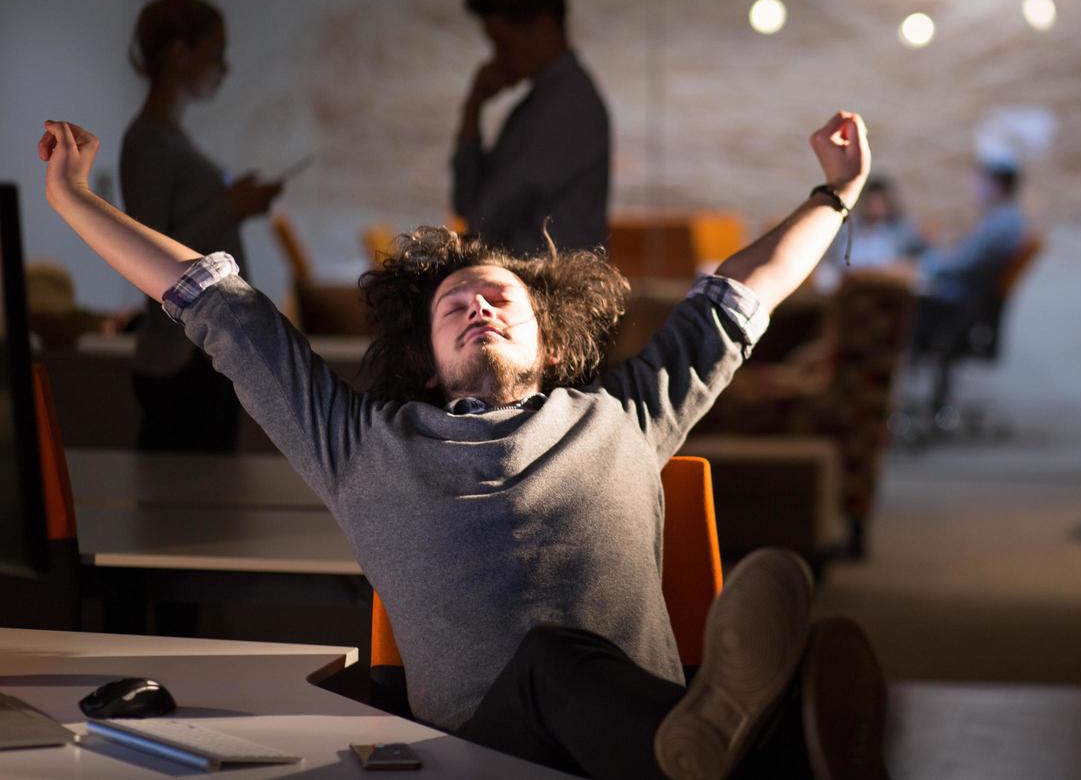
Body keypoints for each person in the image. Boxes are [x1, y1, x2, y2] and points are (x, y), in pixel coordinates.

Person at [38, 111, 884, 778]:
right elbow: (214, 304)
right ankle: (756, 743)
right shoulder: (358, 443)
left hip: (632, 741)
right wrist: (73, 199)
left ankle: (724, 746)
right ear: (429, 361)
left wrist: (837, 194)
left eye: (501, 302)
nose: (479, 307)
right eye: (455, 307)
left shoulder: (623, 413)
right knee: (551, 662)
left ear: (551, 346)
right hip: (489, 754)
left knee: (599, 685)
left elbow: (743, 291)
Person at [119, 0, 283, 451]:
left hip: (197, 349)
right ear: (179, 53)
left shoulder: (165, 137)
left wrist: (233, 207)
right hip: (181, 355)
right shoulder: (150, 139)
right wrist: (230, 207)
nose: (223, 68)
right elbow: (146, 249)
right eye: (216, 53)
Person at [452, 0, 611, 255]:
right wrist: (473, 107)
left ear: (543, 26)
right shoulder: (541, 104)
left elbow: (482, 216)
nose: (498, 57)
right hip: (538, 288)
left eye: (504, 43)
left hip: (557, 294)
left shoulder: (568, 106)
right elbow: (469, 206)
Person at [907, 155, 1029, 424]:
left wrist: (922, 263)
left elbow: (961, 264)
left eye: (981, 183)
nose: (977, 189)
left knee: (904, 312)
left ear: (996, 186)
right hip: (964, 303)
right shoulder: (1002, 220)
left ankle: (903, 404)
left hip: (959, 309)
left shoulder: (1002, 223)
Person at [812, 174, 927, 292]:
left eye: (880, 202)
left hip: (886, 284)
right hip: (851, 283)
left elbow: (915, 260)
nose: (875, 207)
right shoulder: (849, 226)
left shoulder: (899, 229)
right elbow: (836, 260)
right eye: (872, 202)